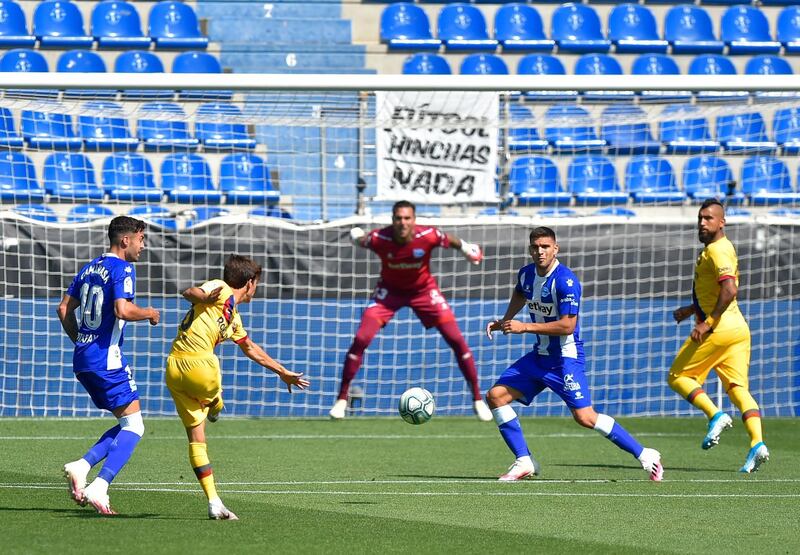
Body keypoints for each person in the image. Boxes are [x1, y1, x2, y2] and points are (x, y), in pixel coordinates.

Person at [485, 226, 663, 481]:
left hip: (565, 360)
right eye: (535, 247)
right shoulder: (526, 274)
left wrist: (524, 326)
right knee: (496, 396)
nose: (540, 251)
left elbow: (568, 325)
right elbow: (520, 292)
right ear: (529, 249)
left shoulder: (566, 281)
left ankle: (646, 454)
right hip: (539, 356)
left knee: (585, 416)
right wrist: (505, 320)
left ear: (555, 248)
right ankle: (524, 461)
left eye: (545, 246)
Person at [165, 254, 309, 520]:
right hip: (201, 368)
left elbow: (250, 348)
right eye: (257, 284)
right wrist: (202, 296)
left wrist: (282, 372)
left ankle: (214, 502)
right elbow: (189, 291)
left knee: (198, 440)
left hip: (173, 369)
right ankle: (215, 404)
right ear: (250, 283)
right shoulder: (220, 288)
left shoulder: (233, 318)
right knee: (212, 374)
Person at [328, 200, 492, 421]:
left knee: (456, 340)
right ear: (392, 219)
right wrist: (355, 236)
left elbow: (449, 239)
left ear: (414, 220)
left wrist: (466, 248)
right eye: (398, 218)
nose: (402, 223)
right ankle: (341, 400)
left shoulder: (428, 235)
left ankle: (477, 400)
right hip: (388, 293)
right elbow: (362, 239)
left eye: (407, 218)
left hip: (424, 292)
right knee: (361, 338)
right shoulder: (380, 238)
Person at [58, 216, 160, 515]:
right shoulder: (123, 268)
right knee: (136, 426)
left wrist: (81, 340)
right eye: (141, 239)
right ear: (125, 240)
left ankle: (81, 466)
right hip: (107, 359)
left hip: (83, 358)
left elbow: (64, 308)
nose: (143, 245)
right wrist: (149, 313)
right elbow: (122, 309)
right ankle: (99, 486)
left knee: (127, 423)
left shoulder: (89, 267)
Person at [668, 199, 768, 473]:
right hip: (737, 328)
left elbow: (730, 290)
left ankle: (715, 414)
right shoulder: (715, 250)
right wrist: (691, 310)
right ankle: (757, 444)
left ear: (722, 222)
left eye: (709, 218)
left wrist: (706, 323)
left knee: (678, 376)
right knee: (738, 389)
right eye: (700, 218)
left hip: (719, 328)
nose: (702, 222)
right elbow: (718, 291)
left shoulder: (718, 250)